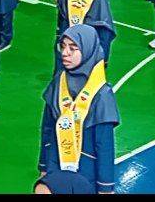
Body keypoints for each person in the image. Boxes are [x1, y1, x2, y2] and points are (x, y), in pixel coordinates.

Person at [38, 24, 119, 194]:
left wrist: (105, 187)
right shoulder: (58, 83)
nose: (65, 53)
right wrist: (43, 165)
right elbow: (47, 128)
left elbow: (104, 146)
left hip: (86, 172)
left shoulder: (102, 94)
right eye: (63, 46)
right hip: (55, 164)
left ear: (88, 50)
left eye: (73, 48)